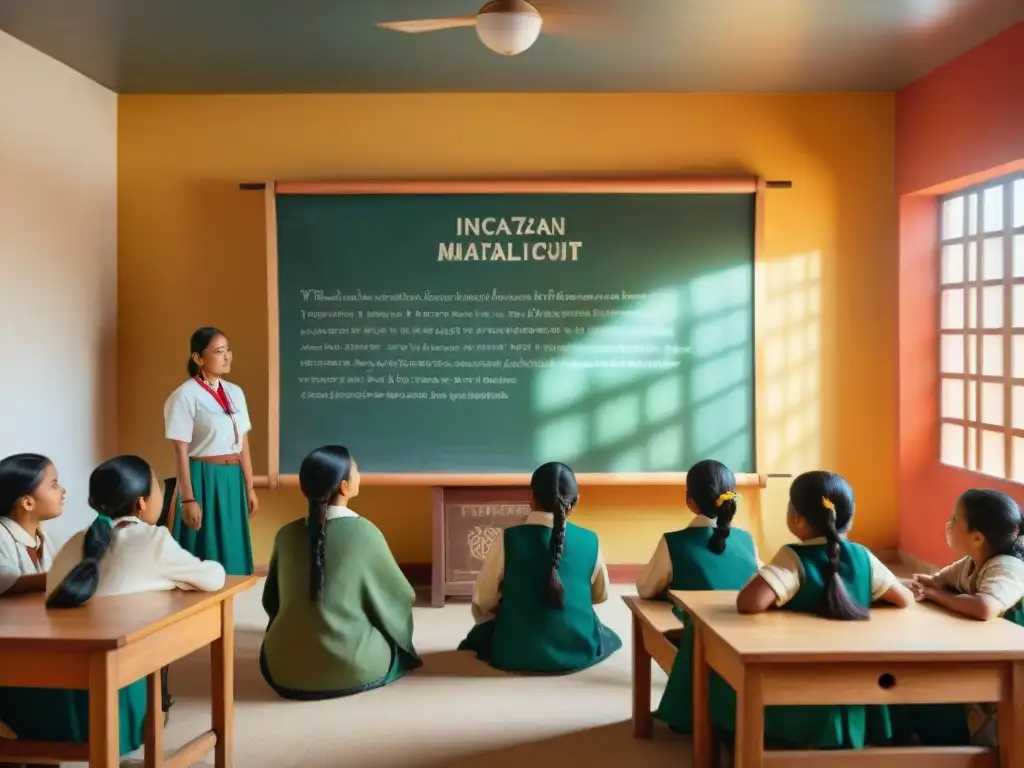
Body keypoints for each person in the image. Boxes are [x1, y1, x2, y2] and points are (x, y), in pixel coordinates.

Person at [0, 455, 225, 758]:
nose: (62, 489)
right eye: (157, 487)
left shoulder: (75, 542)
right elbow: (213, 578)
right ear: (142, 504)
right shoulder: (155, 540)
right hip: (109, 696)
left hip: (42, 688)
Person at [735, 470, 914, 749]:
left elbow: (749, 603)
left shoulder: (794, 556)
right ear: (849, 517)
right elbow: (904, 599)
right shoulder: (863, 556)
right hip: (860, 679)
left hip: (802, 683)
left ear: (797, 518)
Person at [260, 445, 421, 699]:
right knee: (391, 640)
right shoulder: (365, 534)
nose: (359, 472)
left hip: (282, 668)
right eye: (356, 468)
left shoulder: (285, 536)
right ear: (345, 487)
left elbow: (272, 602)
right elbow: (399, 597)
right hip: (353, 666)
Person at [458, 461, 622, 673]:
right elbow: (599, 596)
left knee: (483, 634)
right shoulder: (590, 540)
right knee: (606, 634)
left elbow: (483, 601)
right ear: (576, 501)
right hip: (578, 651)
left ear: (531, 498)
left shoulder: (508, 539)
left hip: (514, 651)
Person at [636, 459, 761, 734]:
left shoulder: (674, 542)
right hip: (747, 637)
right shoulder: (747, 541)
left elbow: (645, 589)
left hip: (697, 640)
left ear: (689, 501)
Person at [892, 489, 1024, 748]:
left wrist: (936, 596)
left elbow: (985, 607)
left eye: (954, 519)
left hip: (1012, 665)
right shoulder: (970, 562)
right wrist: (889, 584)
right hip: (984, 651)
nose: (948, 525)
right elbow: (932, 582)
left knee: (932, 691)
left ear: (976, 537)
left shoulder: (1008, 566)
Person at [164, 326, 257, 576]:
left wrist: (249, 486)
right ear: (198, 358)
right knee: (206, 551)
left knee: (233, 549)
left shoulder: (235, 392)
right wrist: (189, 499)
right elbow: (180, 451)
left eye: (228, 350)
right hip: (203, 478)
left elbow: (243, 442)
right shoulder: (184, 396)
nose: (227, 357)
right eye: (219, 351)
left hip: (232, 478)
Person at [0, 453, 62, 596]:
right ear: (28, 503)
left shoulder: (42, 538)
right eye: (54, 485)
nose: (62, 491)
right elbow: (5, 581)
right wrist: (64, 576)